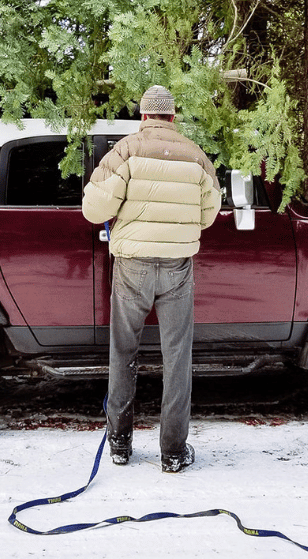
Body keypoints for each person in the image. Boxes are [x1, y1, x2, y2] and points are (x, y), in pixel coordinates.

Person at [82, 85, 222, 473]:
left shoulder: (125, 151)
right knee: (177, 359)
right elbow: (210, 213)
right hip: (177, 267)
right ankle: (173, 452)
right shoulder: (195, 155)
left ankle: (120, 445)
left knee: (123, 353)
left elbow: (93, 209)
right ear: (172, 117)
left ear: (143, 117)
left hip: (132, 267)